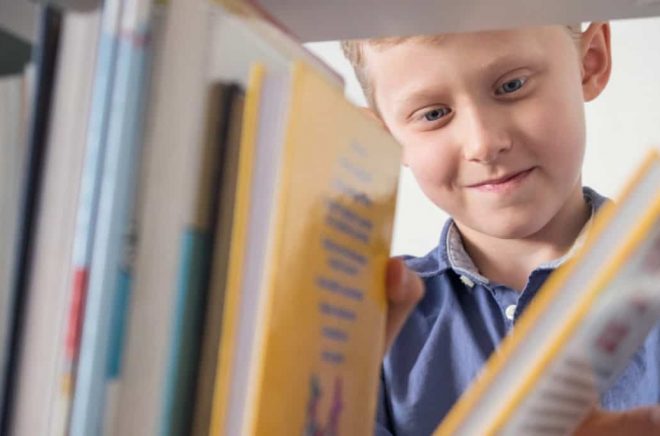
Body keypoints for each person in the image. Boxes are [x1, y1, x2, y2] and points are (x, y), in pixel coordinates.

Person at [341, 22, 660, 435]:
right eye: (434, 114)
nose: (483, 144)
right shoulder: (368, 321)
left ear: (590, 61)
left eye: (512, 86)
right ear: (385, 136)